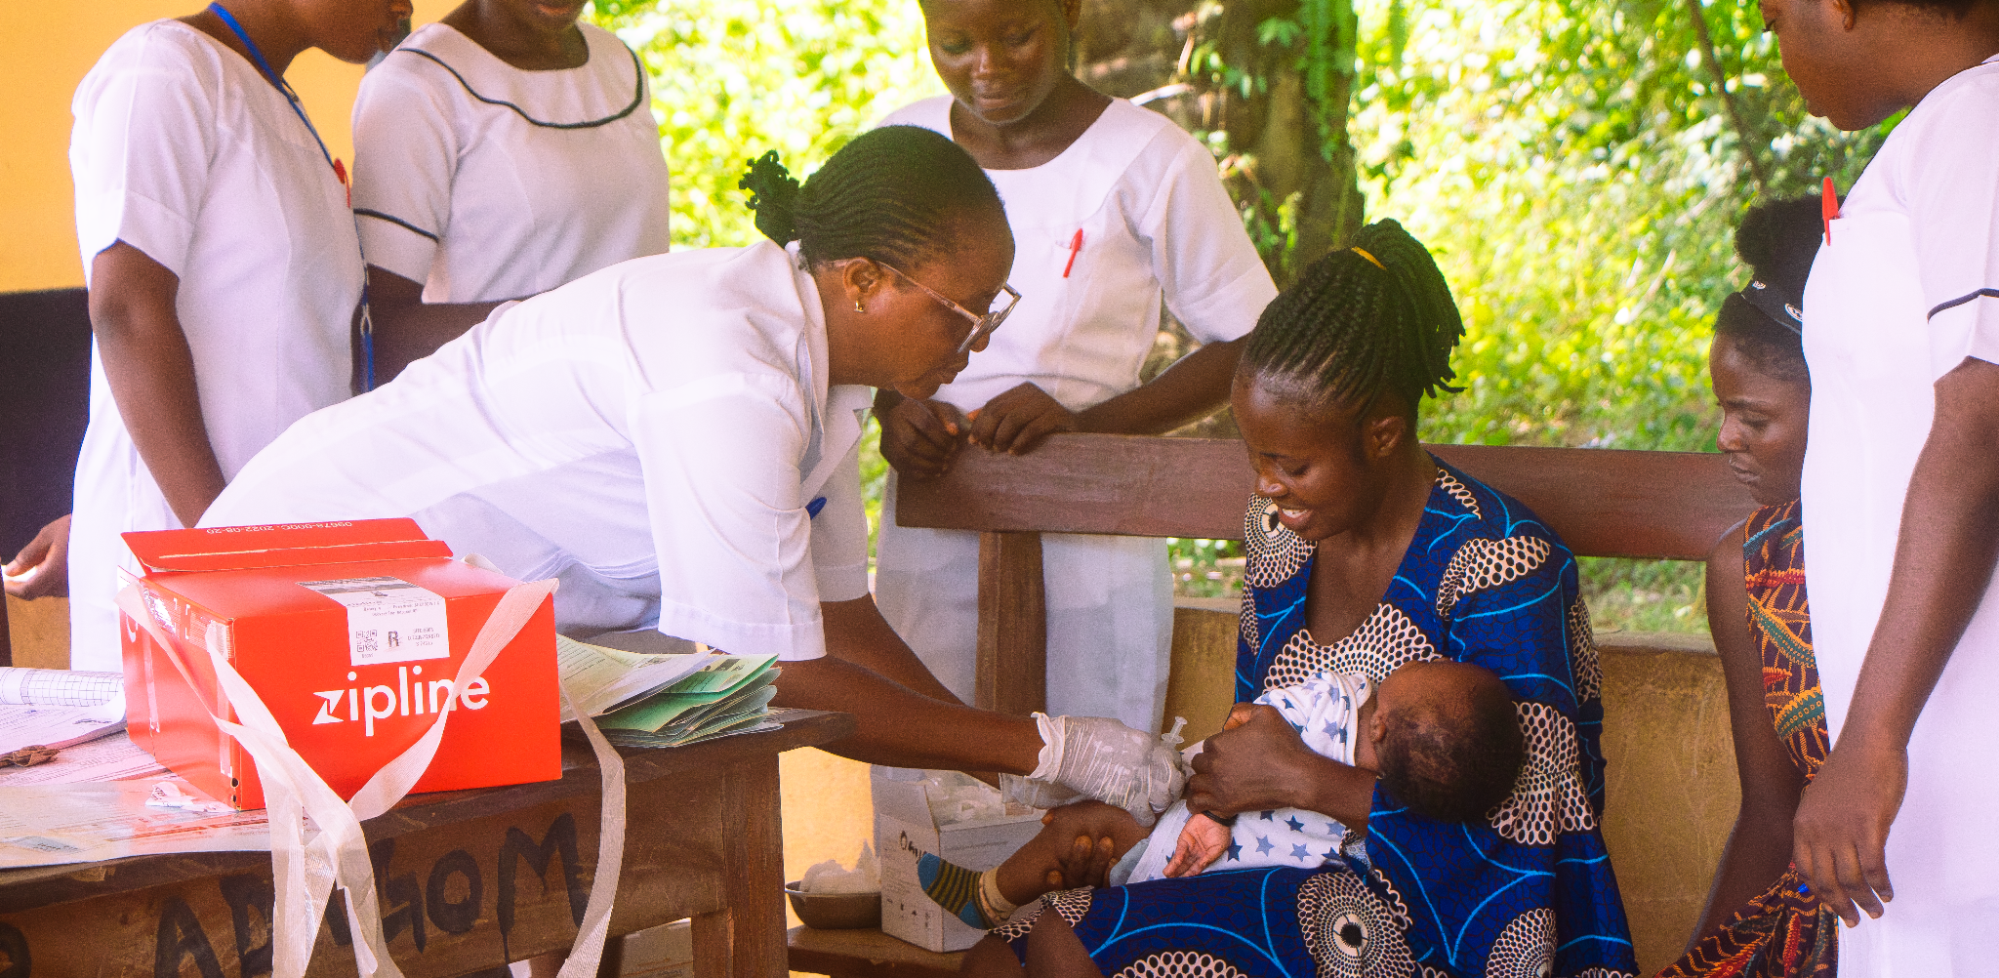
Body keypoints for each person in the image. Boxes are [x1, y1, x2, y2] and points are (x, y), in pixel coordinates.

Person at [201, 126, 1182, 818]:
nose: (977, 344)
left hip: (407, 628)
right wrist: (1043, 746)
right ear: (862, 281)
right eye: (965, 316)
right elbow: (773, 678)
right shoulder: (730, 377)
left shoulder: (817, 377)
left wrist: (997, 754)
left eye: (991, 314)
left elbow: (836, 619)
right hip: (292, 584)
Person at [957, 221, 1635, 978]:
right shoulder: (1279, 543)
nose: (1268, 485)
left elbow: (1527, 824)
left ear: (1383, 433)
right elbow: (1251, 742)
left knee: (1076, 946)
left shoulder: (1497, 564)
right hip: (1276, 867)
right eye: (1255, 458)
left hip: (1445, 923)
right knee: (1002, 958)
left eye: (1292, 461)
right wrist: (1156, 816)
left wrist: (1304, 780)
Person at [872, 0, 1278, 733]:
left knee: (1092, 766)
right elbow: (846, 308)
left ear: (1068, 13)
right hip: (934, 509)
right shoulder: (899, 146)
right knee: (929, 767)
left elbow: (1251, 340)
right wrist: (892, 411)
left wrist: (1086, 428)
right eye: (954, 43)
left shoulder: (1149, 157)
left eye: (1017, 35)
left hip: (1092, 521)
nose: (987, 67)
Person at [1541, 197, 1838, 978]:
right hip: (1813, 931)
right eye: (1721, 411)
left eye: (1753, 415)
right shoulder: (1748, 568)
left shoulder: (1948, 556)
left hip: (1939, 916)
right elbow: (1768, 808)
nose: (1725, 439)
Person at [1758, 0, 1999, 978]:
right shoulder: (1940, 133)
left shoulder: (1978, 125)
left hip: (1955, 747)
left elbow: (1980, 425)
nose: (1778, 44)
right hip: (1929, 761)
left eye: (1771, 15)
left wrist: (1870, 739)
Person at [59, 0, 412, 673]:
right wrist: (222, 552)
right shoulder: (163, 68)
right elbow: (127, 310)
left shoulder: (270, 98)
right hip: (188, 574)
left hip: (275, 566)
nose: (404, 6)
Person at [919, 660, 1528, 930]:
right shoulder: (1378, 825)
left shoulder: (1336, 708)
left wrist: (1211, 808)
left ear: (1381, 727)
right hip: (1196, 883)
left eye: (1399, 683)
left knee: (1077, 823)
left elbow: (1245, 724)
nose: (1379, 682)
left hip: (1178, 844)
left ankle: (988, 895)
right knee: (1081, 831)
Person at [350, 0, 672, 381]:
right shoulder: (416, 85)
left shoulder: (618, 63)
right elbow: (380, 338)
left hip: (638, 407)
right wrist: (592, 321)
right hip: (506, 420)